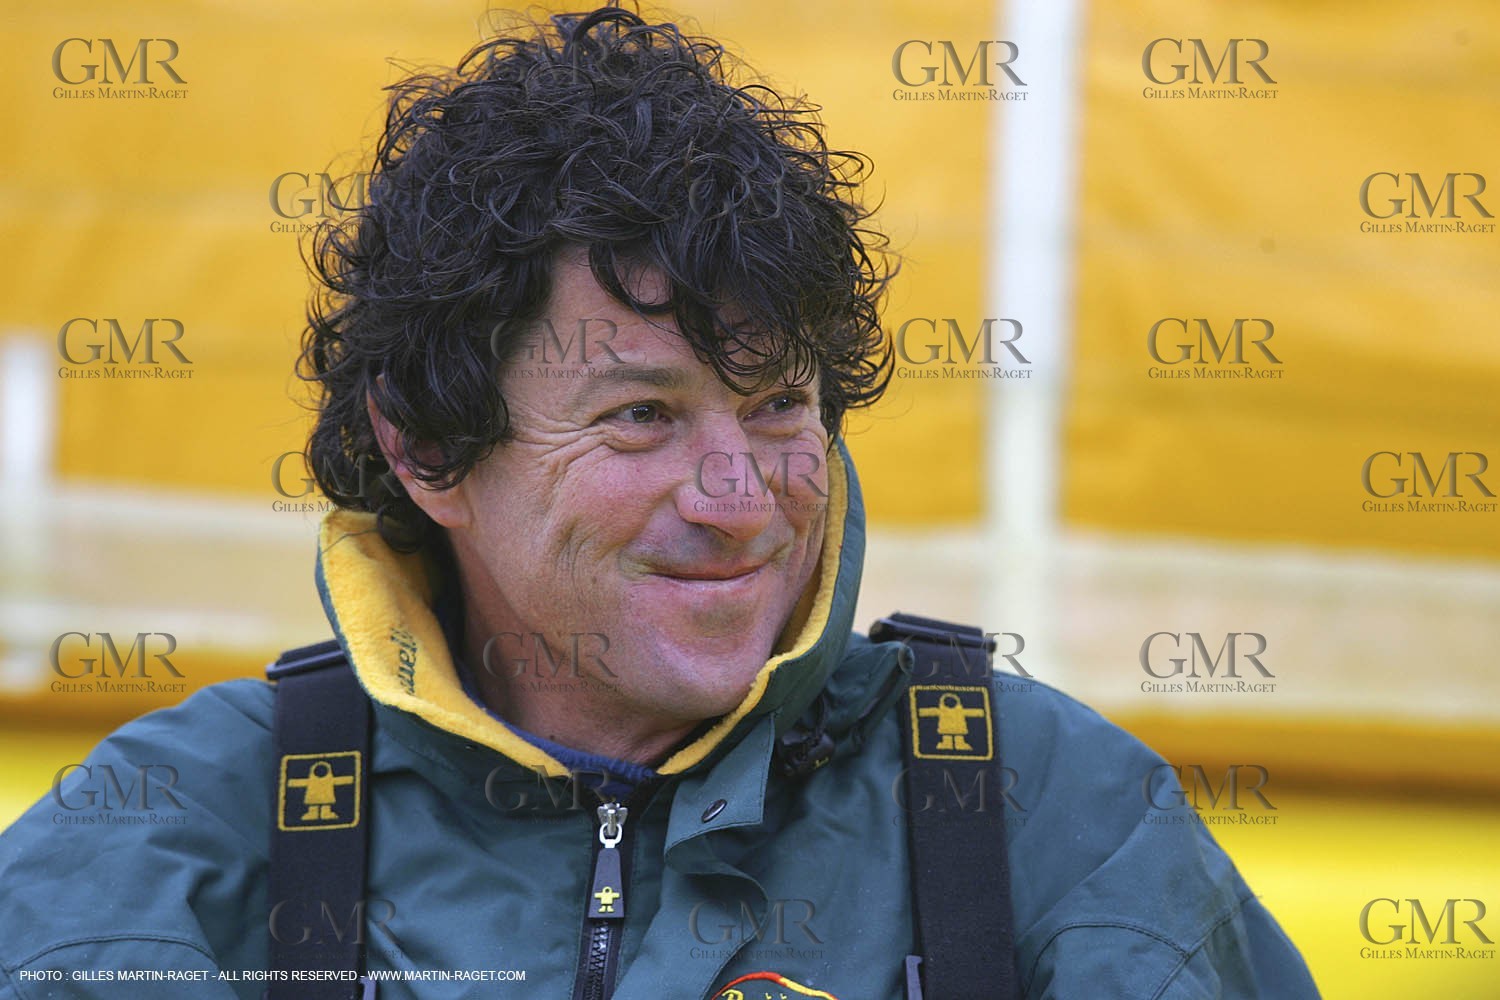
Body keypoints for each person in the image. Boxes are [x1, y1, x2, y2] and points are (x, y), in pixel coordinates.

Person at [0, 7, 1319, 998]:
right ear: (426, 452)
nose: (740, 501)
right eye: (642, 415)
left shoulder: (1050, 813)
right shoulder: (171, 838)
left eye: (778, 406)